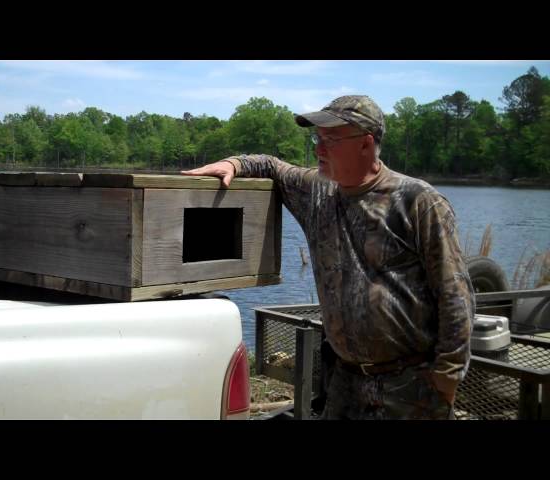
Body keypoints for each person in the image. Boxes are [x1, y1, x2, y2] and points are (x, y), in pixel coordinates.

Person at [182, 95, 475, 420]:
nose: (318, 149)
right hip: (344, 380)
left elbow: (456, 298)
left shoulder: (419, 203)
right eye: (317, 139)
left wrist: (446, 381)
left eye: (330, 140)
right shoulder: (317, 192)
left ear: (366, 144)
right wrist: (235, 164)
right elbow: (272, 167)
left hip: (408, 385)